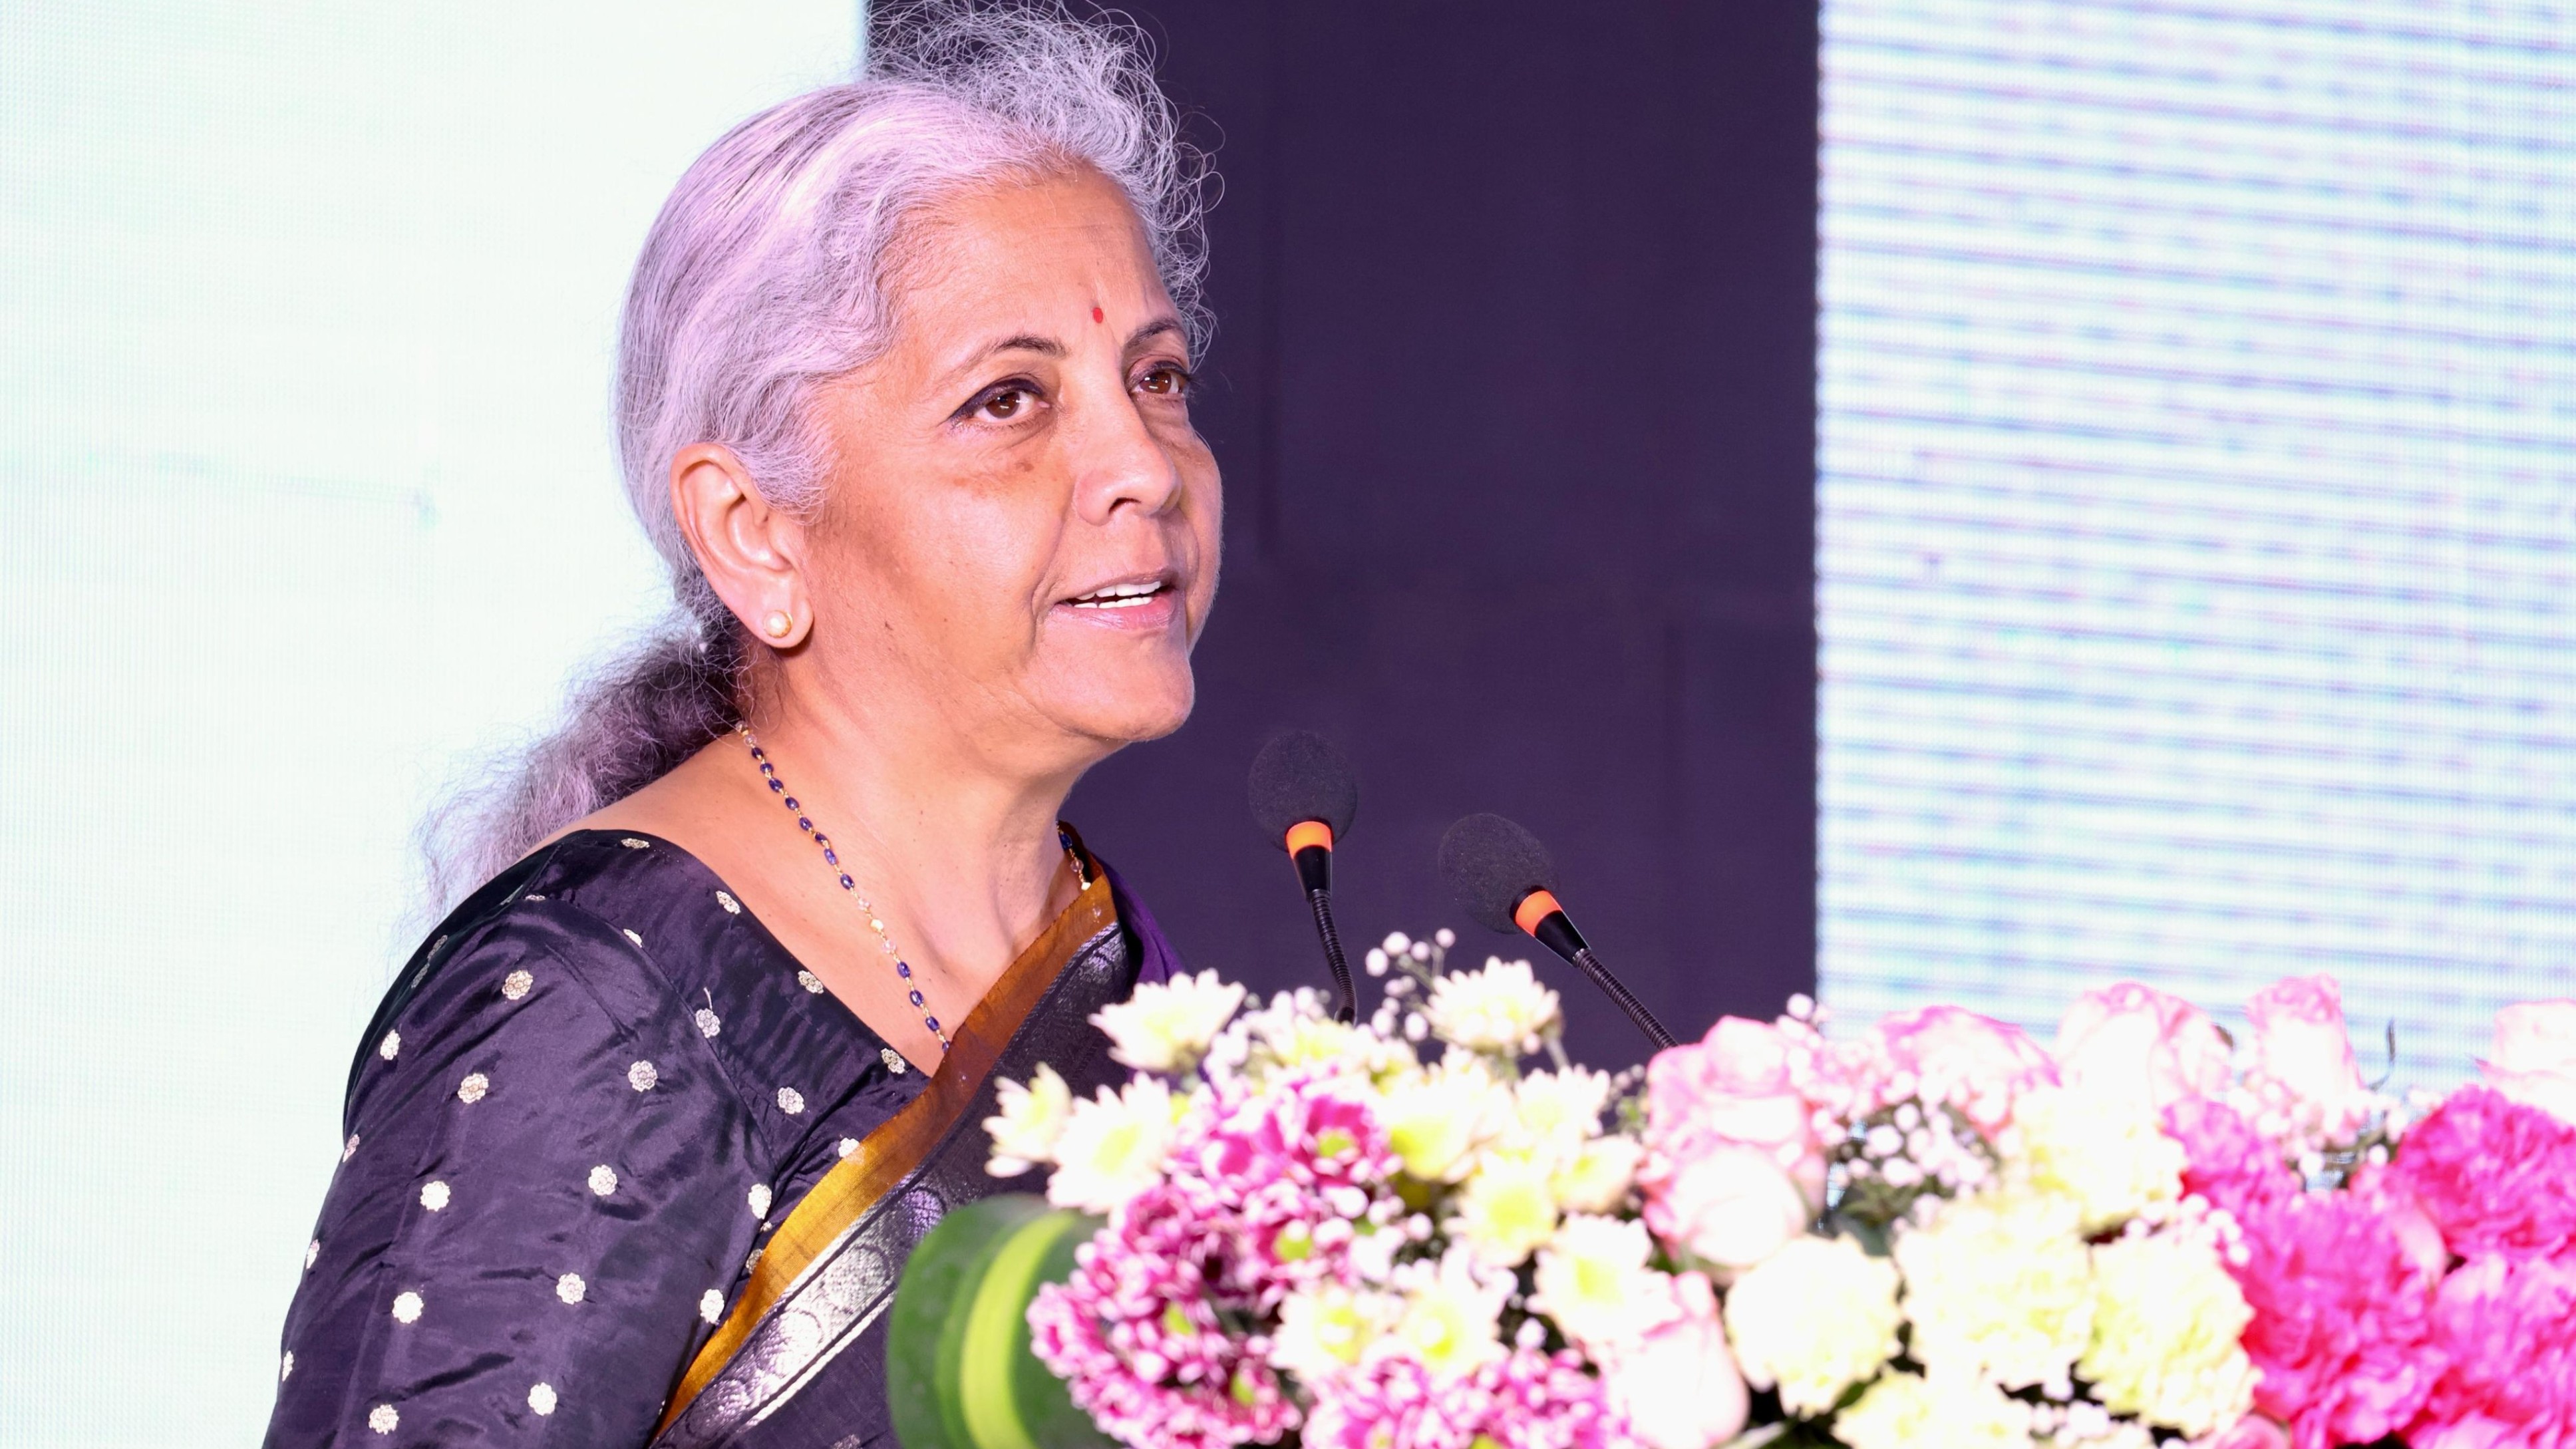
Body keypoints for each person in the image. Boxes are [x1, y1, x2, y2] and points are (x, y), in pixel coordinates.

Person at [264, 7, 1218, 1445]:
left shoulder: (1109, 959)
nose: (1143, 463)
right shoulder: (597, 1000)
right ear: (755, 532)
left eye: (1156, 378)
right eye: (1009, 400)